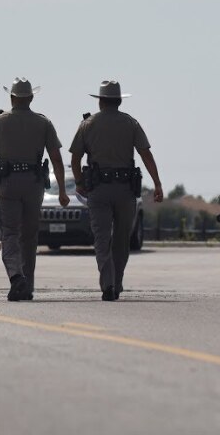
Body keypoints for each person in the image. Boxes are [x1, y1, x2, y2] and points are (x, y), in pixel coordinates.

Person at [70, 80, 164, 301]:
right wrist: (157, 183)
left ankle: (108, 284)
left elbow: (75, 158)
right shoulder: (131, 123)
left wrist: (80, 182)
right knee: (122, 240)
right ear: (119, 101)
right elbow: (145, 154)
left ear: (100, 101)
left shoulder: (87, 125)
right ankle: (117, 282)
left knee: (102, 238)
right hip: (125, 190)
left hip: (98, 190)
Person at [0, 78, 69, 301]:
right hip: (33, 184)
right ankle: (27, 286)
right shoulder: (43, 123)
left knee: (10, 233)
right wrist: (62, 191)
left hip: (8, 184)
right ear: (30, 98)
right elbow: (57, 159)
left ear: (12, 97)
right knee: (29, 236)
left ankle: (16, 276)